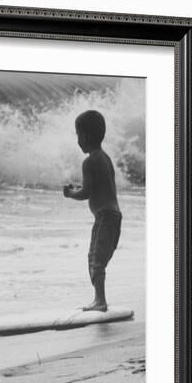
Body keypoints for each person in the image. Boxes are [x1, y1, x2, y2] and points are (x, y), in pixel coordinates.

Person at [63, 110, 122, 312]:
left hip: (104, 216)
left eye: (78, 134)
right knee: (98, 259)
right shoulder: (104, 158)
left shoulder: (88, 162)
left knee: (95, 259)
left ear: (85, 136)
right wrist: (78, 187)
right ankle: (99, 298)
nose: (77, 139)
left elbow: (87, 192)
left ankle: (100, 300)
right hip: (115, 216)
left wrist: (71, 193)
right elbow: (101, 185)